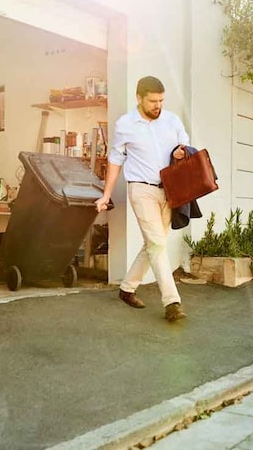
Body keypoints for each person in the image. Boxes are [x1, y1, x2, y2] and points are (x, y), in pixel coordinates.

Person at [94, 76, 189, 322]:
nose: (158, 105)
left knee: (152, 244)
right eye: (153, 101)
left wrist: (180, 152)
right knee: (157, 244)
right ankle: (172, 303)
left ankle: (127, 289)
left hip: (169, 190)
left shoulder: (172, 120)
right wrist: (105, 195)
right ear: (139, 98)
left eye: (161, 100)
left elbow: (185, 149)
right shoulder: (125, 124)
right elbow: (116, 160)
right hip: (141, 189)